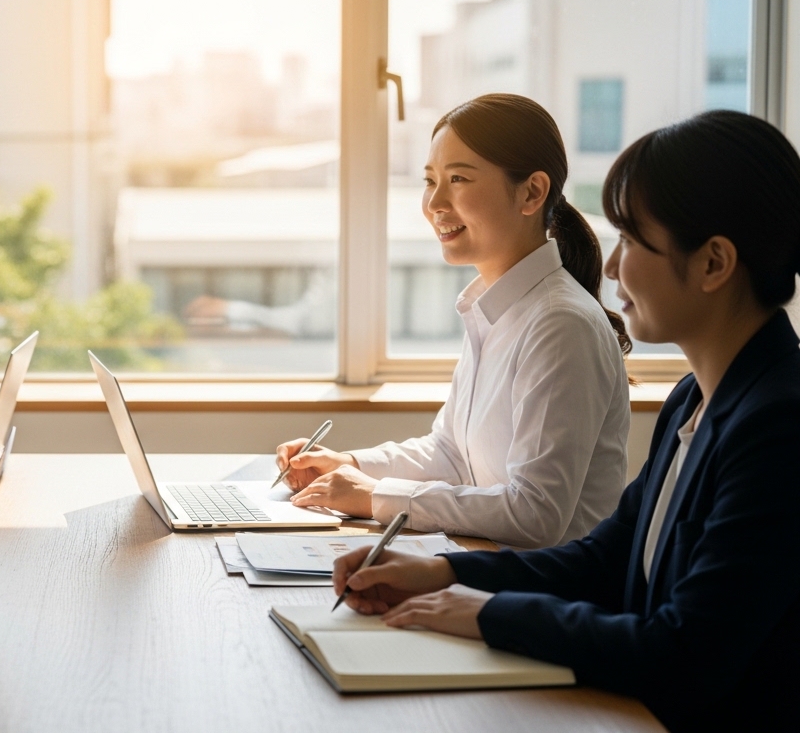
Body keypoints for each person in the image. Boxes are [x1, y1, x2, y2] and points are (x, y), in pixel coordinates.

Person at [330, 110, 800, 730]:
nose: (608, 268)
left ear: (713, 264)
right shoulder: (694, 398)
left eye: (632, 243)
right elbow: (606, 559)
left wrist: (484, 614)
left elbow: (686, 653)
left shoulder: (779, 426)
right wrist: (442, 573)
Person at [276, 94, 630, 548]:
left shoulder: (560, 324)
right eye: (430, 180)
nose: (434, 203)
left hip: (541, 596)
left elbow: (536, 513)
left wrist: (376, 497)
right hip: (487, 573)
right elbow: (451, 454)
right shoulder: (494, 308)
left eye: (458, 178)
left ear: (531, 192)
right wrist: (349, 466)